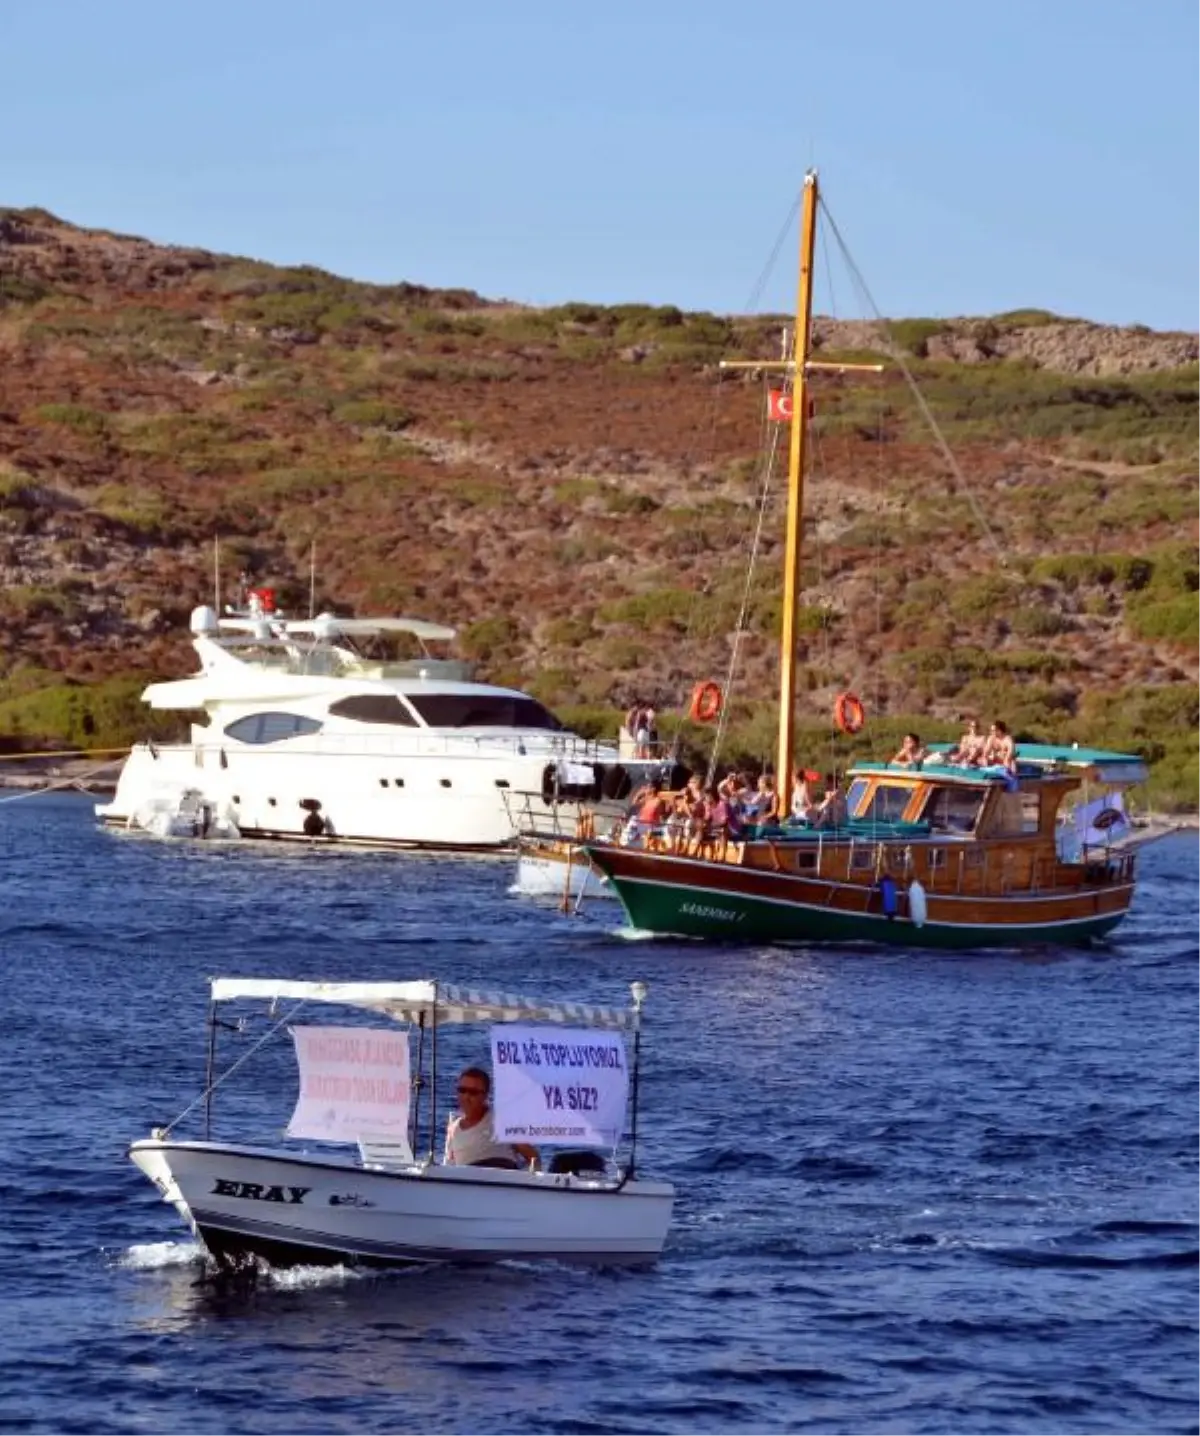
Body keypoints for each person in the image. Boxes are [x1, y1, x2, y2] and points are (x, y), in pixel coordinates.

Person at [444, 1067, 539, 1170]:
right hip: (468, 1182)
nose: (466, 1096)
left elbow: (533, 1158)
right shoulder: (453, 1130)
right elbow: (448, 1168)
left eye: (473, 1092)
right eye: (462, 1090)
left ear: (485, 1095)